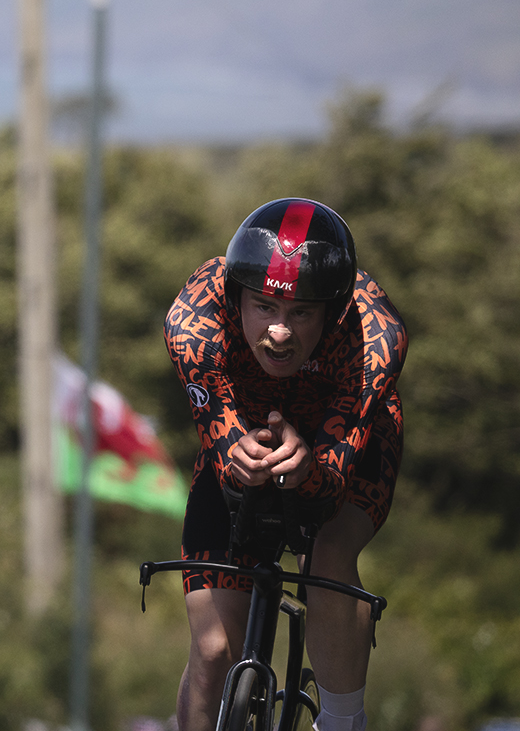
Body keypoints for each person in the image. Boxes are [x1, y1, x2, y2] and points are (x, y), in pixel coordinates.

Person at [163, 197, 407, 731]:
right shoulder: (193, 323)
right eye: (265, 308)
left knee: (326, 556)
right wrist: (238, 455)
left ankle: (343, 721)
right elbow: (225, 458)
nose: (279, 331)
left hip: (347, 442)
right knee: (210, 652)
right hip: (244, 427)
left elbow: (328, 490)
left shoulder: (375, 338)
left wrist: (310, 469)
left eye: (301, 312)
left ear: (333, 311)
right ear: (236, 300)